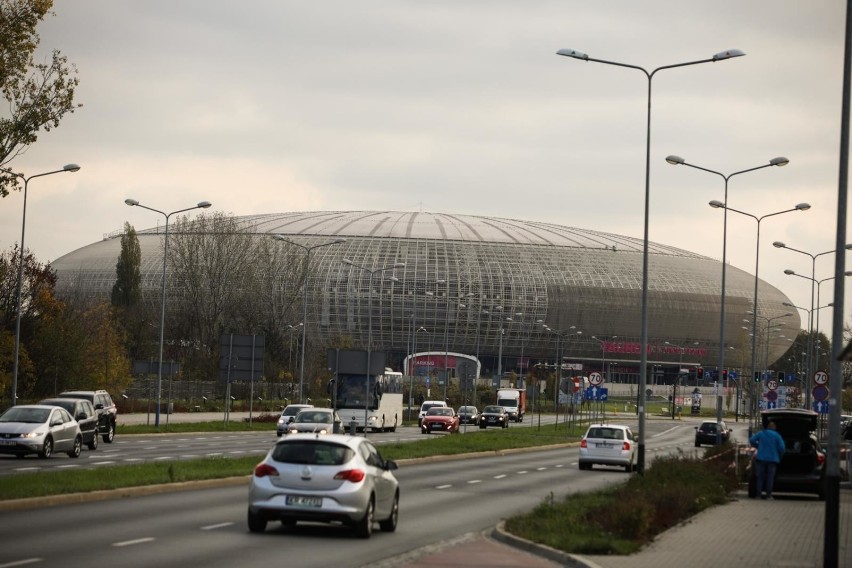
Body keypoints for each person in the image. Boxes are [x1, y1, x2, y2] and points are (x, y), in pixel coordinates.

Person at [749, 421, 786, 500]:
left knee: (760, 477)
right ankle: (768, 495)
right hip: (773, 459)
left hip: (761, 458)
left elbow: (752, 440)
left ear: (767, 427)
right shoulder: (777, 436)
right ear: (774, 428)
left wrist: (757, 446)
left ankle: (758, 495)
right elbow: (782, 448)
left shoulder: (761, 433)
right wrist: (779, 455)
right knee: (770, 478)